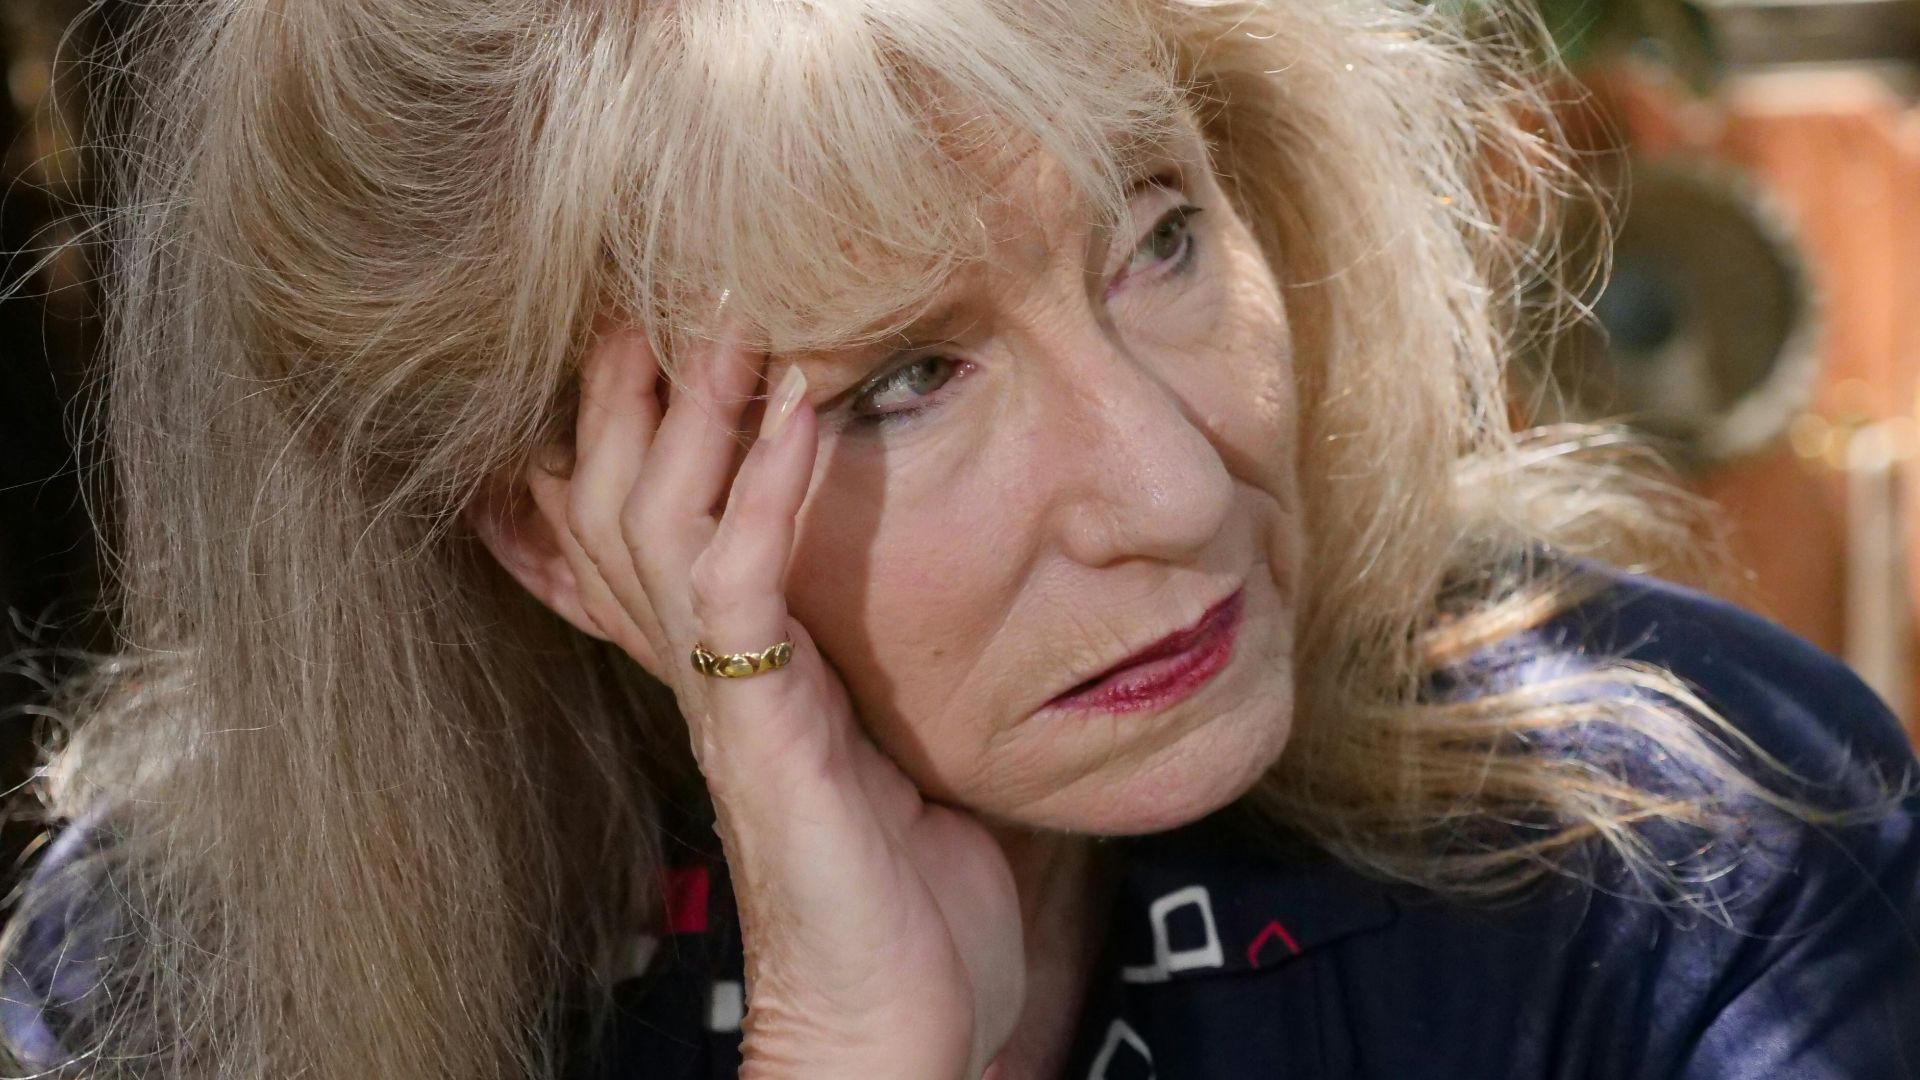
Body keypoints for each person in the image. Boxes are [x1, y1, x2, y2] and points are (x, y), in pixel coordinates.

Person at [2, 0, 1916, 1076]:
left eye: (1158, 235)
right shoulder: (168, 990)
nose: (1172, 494)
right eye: (902, 377)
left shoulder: (1690, 825)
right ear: (558, 537)